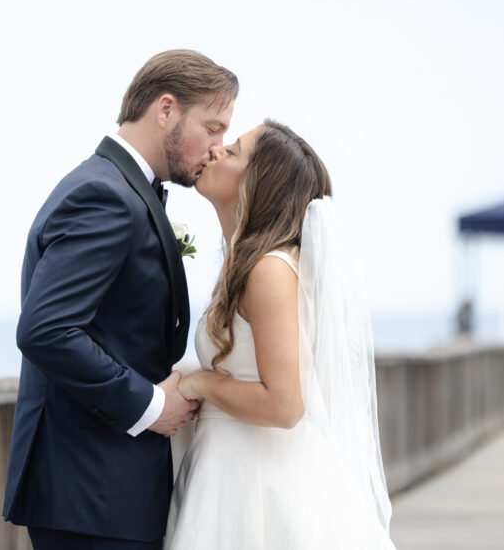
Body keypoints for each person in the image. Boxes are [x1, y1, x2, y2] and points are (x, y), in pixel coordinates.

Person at [3, 50, 238, 549]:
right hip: (90, 490)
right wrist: (152, 405)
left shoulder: (119, 188)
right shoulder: (104, 195)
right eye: (213, 127)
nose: (218, 148)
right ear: (167, 109)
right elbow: (46, 329)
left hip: (103, 488)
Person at [165, 120, 396, 549]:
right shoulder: (249, 265)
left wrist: (198, 383)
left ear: (260, 184)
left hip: (256, 485)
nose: (215, 151)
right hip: (228, 471)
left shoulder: (268, 270)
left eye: (232, 151)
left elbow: (285, 404)